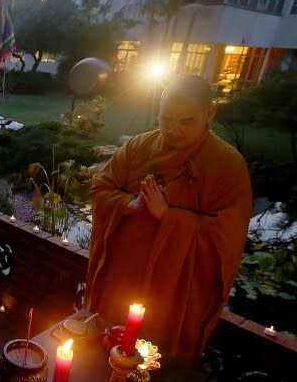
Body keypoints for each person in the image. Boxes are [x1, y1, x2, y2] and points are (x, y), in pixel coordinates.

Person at [86, 75, 252, 366]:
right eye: (165, 119)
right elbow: (101, 188)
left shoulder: (228, 165)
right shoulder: (139, 147)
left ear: (209, 113)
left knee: (152, 364)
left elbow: (228, 236)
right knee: (104, 350)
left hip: (174, 288)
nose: (173, 130)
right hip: (123, 274)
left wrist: (169, 217)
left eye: (186, 121)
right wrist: (129, 204)